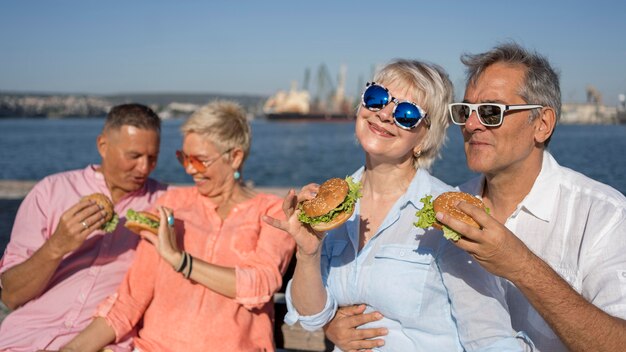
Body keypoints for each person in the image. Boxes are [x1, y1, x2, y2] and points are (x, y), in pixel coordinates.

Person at [326, 42, 626, 352]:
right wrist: (331, 320)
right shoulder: (445, 205)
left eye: (491, 112)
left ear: (542, 124)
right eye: (464, 111)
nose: (470, 125)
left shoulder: (601, 215)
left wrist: (521, 266)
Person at [264, 59, 533, 351]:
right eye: (377, 98)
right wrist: (308, 252)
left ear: (424, 138)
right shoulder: (336, 209)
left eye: (407, 114)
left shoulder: (447, 216)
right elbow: (311, 316)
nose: (385, 115)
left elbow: (489, 337)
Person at [57, 100, 296, 352]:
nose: (190, 169)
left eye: (200, 160)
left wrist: (180, 260)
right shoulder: (172, 204)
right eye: (184, 158)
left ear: (235, 157)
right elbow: (131, 298)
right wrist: (71, 350)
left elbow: (259, 285)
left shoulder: (272, 211)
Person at [0, 103, 167, 352]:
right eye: (134, 156)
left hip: (105, 343)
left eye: (152, 158)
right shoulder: (51, 191)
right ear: (103, 146)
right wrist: (57, 246)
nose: (144, 168)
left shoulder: (166, 202)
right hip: (25, 338)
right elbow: (11, 296)